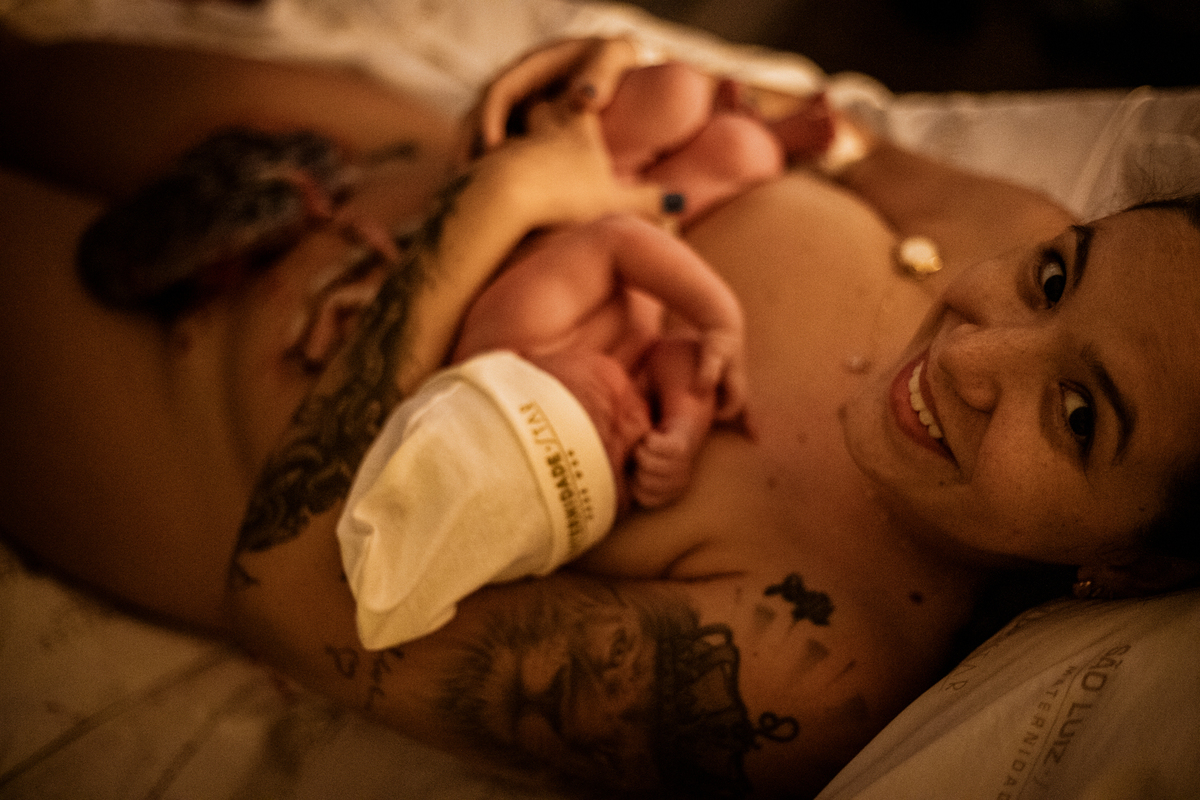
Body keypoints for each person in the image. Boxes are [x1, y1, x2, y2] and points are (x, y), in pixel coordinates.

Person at [3, 29, 1200, 800]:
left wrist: (503, 202)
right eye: (1055, 279)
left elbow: (298, 603)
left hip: (192, 413)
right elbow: (824, 134)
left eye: (1078, 414)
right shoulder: (1014, 221)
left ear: (1132, 561)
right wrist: (630, 86)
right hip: (353, 160)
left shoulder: (793, 670)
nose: (973, 351)